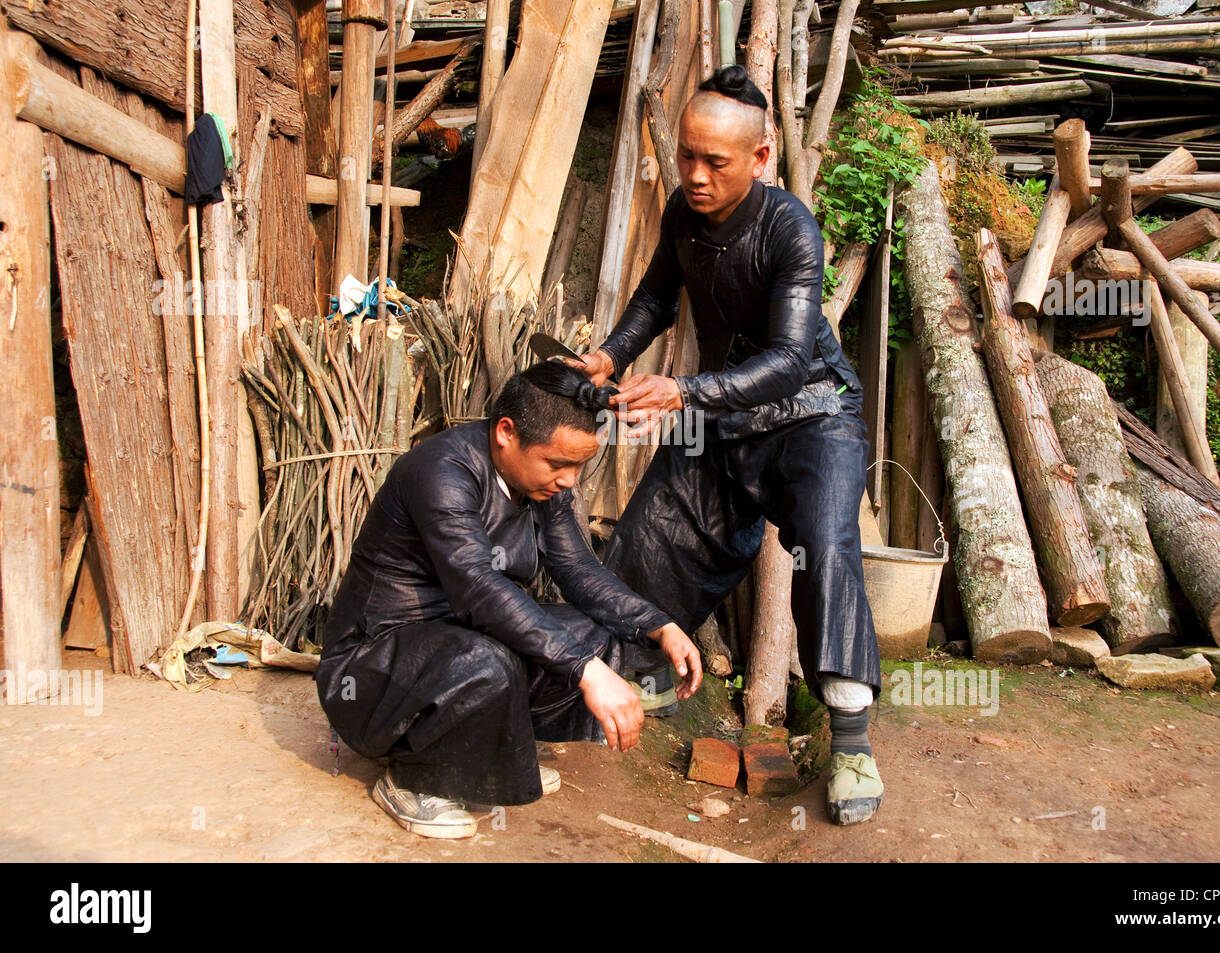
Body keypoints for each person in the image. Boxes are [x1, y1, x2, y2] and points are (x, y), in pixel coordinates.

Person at [570, 65, 884, 826]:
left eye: (716, 161)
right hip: (726, 416)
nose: (697, 175)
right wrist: (612, 354)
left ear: (763, 157)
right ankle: (634, 679)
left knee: (826, 544)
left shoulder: (791, 229)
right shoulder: (683, 213)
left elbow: (785, 358)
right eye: (687, 157)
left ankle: (849, 741)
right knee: (655, 529)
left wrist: (681, 391)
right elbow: (653, 297)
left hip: (814, 414)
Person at [316, 361, 702, 839]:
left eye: (578, 466)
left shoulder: (545, 488)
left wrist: (658, 624)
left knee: (595, 635)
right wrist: (585, 670)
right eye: (559, 464)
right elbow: (476, 584)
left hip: (461, 639)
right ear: (505, 432)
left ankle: (487, 753)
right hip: (373, 668)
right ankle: (412, 779)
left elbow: (578, 570)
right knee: (493, 661)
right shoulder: (441, 469)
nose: (569, 482)